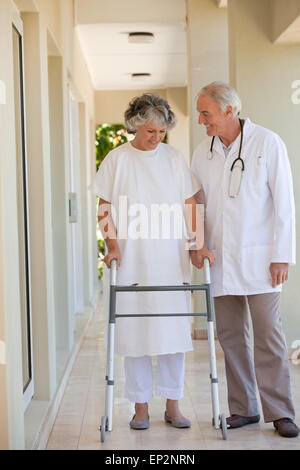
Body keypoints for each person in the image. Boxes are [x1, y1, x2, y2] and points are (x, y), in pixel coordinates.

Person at [92, 93, 213, 430]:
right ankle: (140, 407)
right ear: (134, 126)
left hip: (169, 257)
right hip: (133, 258)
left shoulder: (174, 158)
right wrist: (112, 245)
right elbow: (104, 208)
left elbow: (190, 205)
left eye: (162, 132)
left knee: (173, 331)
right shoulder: (117, 160)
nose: (157, 138)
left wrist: (198, 245)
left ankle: (173, 405)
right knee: (136, 333)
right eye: (150, 132)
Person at [190, 81, 299, 438]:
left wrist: (281, 255)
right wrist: (196, 244)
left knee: (268, 336)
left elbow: (284, 202)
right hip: (219, 260)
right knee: (231, 336)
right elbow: (196, 202)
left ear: (228, 111)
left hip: (260, 259)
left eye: (206, 113)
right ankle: (244, 408)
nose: (201, 120)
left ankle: (280, 410)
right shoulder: (201, 152)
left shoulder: (267, 143)